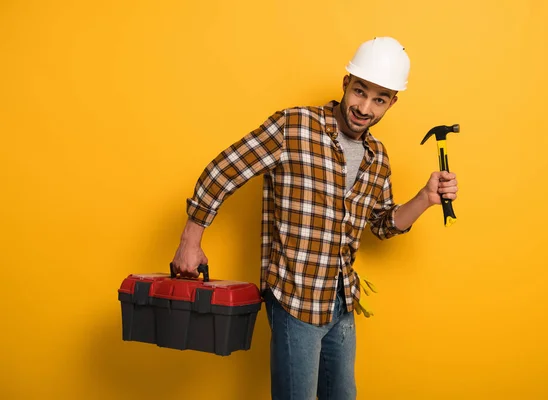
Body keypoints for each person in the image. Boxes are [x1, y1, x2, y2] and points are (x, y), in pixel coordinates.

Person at [170, 37, 459, 399]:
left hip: (341, 300)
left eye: (379, 99)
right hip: (295, 297)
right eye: (359, 91)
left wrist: (425, 198)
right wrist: (189, 242)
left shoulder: (377, 157)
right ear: (345, 83)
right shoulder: (294, 126)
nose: (364, 107)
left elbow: (384, 224)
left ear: (392, 102)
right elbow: (222, 172)